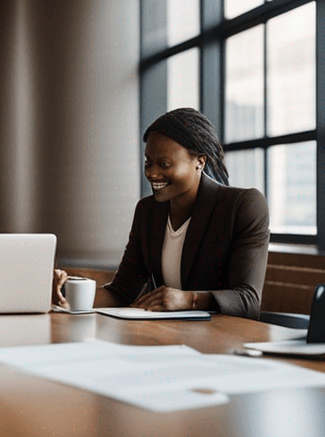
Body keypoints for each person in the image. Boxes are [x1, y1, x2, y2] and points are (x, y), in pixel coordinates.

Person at [98, 108, 269, 319]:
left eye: (164, 164)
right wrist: (61, 294)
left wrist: (190, 300)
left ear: (200, 161)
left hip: (222, 338)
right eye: (148, 163)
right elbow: (122, 291)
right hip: (166, 336)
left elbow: (248, 301)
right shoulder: (147, 211)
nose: (151, 173)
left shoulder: (243, 206)